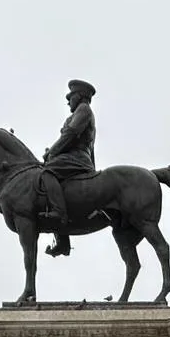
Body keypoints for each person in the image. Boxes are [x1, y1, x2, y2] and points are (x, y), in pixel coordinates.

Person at [39, 78, 97, 254]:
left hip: (77, 159)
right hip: (74, 157)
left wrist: (52, 152)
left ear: (79, 97)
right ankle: (62, 241)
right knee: (55, 187)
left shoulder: (84, 110)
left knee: (46, 172)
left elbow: (71, 134)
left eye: (70, 97)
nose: (67, 101)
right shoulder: (80, 111)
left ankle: (59, 213)